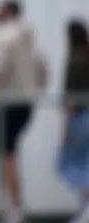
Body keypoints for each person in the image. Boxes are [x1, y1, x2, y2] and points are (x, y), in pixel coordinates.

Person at [0, 0, 48, 223]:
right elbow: (43, 66)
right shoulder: (30, 38)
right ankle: (13, 204)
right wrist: (37, 90)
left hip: (9, 101)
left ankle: (13, 207)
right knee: (9, 153)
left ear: (7, 12)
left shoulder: (6, 37)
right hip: (26, 101)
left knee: (5, 153)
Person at [58, 19, 89, 223]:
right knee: (84, 162)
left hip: (80, 115)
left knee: (64, 162)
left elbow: (69, 94)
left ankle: (86, 201)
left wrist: (66, 122)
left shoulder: (74, 59)